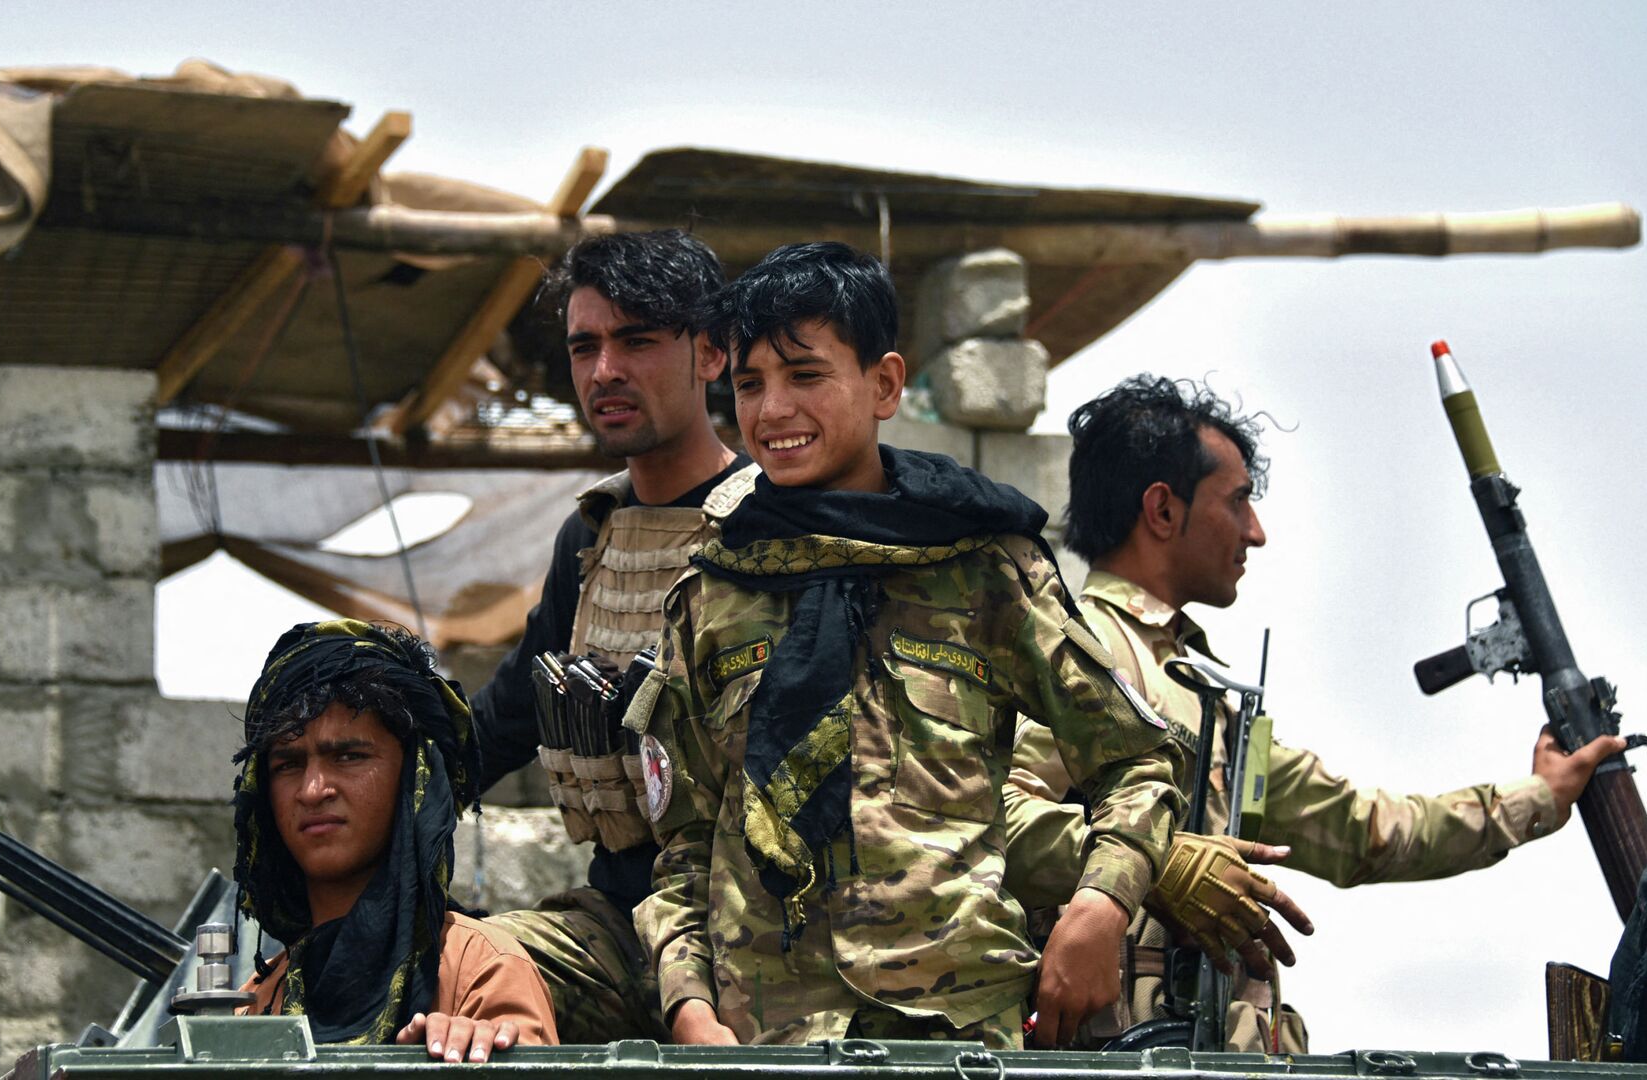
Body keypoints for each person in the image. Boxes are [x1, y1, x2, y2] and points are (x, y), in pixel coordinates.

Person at [632, 242, 1185, 1049]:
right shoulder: (713, 593)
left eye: (805, 375)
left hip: (961, 1036)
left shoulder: (985, 569)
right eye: (749, 385)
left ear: (885, 384)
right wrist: (689, 1008)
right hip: (766, 1042)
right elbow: (684, 843)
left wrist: (1101, 906)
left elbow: (1138, 759)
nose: (773, 410)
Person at [1002, 374, 1625, 1051]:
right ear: (1162, 510)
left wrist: (1538, 798)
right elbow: (995, 817)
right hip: (1115, 1056)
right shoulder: (1083, 652)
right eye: (1237, 501)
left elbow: (1360, 829)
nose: (1256, 532)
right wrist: (1156, 866)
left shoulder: (1203, 693)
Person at [469, 230, 754, 1041]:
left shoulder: (771, 526)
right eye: (584, 347)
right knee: (447, 965)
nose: (604, 372)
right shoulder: (592, 536)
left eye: (636, 342)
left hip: (758, 940)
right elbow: (504, 721)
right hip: (621, 928)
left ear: (710, 353)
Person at [231, 619, 558, 1060]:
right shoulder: (256, 1001)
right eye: (287, 765)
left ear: (413, 778)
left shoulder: (481, 970)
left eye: (349, 756)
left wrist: (466, 1060)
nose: (312, 790)